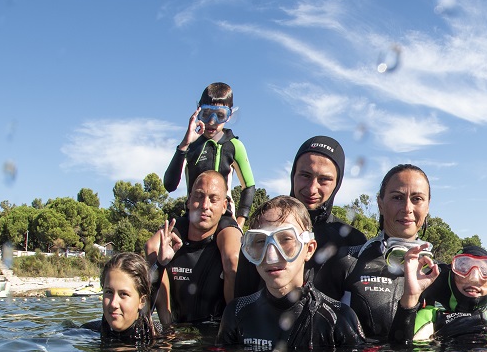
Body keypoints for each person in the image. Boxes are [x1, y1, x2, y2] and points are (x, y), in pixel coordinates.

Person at [218, 196, 364, 352]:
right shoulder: (236, 312)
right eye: (260, 242)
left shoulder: (338, 319)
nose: (271, 256)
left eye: (286, 239)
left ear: (309, 249)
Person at [235, 135, 367, 299]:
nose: (312, 188)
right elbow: (241, 300)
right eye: (305, 175)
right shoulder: (263, 231)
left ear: (337, 183)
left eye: (324, 180)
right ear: (293, 175)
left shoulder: (353, 241)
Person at [320, 164, 434, 338]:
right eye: (397, 197)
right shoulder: (347, 260)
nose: (407, 208)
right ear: (380, 203)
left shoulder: (438, 272)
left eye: (417, 199)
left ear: (427, 207)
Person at [389, 244, 487, 345]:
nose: (474, 277)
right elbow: (399, 351)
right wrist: (410, 298)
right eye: (463, 268)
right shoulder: (430, 316)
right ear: (451, 276)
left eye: (485, 271)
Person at [152, 169, 241, 328]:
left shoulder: (226, 230)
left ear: (224, 206)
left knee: (233, 259)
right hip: (178, 328)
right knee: (154, 251)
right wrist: (168, 330)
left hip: (217, 329)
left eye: (213, 199)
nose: (205, 206)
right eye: (199, 197)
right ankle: (167, 324)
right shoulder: (177, 229)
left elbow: (234, 259)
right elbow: (151, 248)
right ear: (189, 201)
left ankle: (234, 326)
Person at [162, 82, 256, 227]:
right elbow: (169, 185)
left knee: (231, 249)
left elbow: (249, 186)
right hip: (192, 216)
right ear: (197, 112)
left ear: (229, 115)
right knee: (152, 246)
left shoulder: (235, 146)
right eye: (206, 114)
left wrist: (240, 222)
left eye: (220, 115)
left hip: (224, 218)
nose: (212, 121)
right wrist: (184, 145)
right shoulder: (191, 145)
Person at [82, 252, 162, 345]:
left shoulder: (160, 336)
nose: (113, 304)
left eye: (123, 294)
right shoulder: (87, 332)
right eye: (109, 292)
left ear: (142, 301)